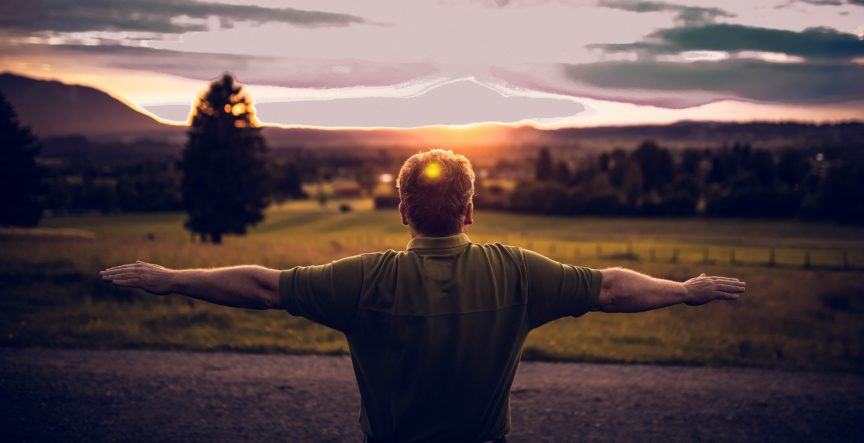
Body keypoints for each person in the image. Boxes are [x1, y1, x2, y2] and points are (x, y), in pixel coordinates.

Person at [100, 149, 745, 443]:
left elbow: (263, 286)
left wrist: (170, 279)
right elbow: (610, 288)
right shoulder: (517, 273)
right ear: (470, 212)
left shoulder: (365, 279)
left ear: (403, 212)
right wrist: (686, 291)